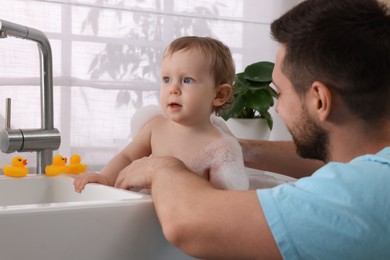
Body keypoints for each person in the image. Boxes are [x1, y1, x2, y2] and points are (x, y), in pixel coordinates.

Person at [112, 0, 390, 259]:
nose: (277, 109)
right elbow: (338, 160)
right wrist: (225, 147)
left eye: (280, 93)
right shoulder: (377, 171)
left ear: (319, 100)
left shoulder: (362, 195)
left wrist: (160, 167)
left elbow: (191, 224)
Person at [74, 36, 249, 193]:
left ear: (219, 95)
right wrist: (105, 177)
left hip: (187, 221)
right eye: (167, 79)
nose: (173, 89)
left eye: (187, 80)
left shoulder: (219, 148)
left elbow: (220, 203)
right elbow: (127, 157)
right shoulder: (156, 127)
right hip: (146, 215)